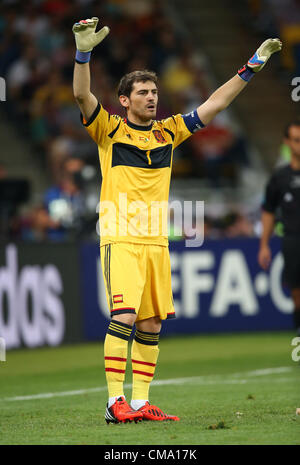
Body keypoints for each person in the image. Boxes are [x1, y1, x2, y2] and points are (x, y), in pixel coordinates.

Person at [72, 17, 282, 424]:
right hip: (121, 237)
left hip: (156, 241)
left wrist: (253, 63)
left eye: (154, 91)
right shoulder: (109, 130)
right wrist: (83, 54)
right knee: (126, 316)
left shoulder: (169, 132)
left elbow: (216, 103)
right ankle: (114, 402)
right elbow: (81, 95)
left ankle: (138, 403)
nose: (152, 98)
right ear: (124, 100)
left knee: (151, 322)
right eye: (143, 93)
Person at [258, 120, 300, 337]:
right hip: (293, 240)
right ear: (287, 142)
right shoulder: (280, 178)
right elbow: (268, 210)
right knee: (296, 293)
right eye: (296, 140)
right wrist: (264, 244)